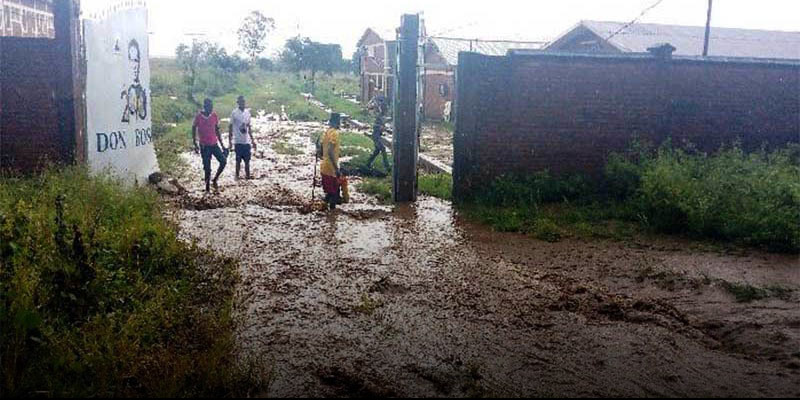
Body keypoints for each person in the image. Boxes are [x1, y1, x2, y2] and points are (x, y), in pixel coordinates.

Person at [192, 98, 227, 192]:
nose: (211, 109)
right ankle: (207, 188)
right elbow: (193, 127)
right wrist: (195, 142)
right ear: (205, 107)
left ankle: (215, 179)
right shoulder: (199, 117)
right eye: (209, 107)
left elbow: (217, 130)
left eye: (212, 107)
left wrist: (222, 145)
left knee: (223, 161)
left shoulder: (214, 116)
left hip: (214, 144)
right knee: (207, 168)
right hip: (204, 146)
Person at [229, 95, 257, 180]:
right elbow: (230, 127)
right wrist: (230, 141)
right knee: (238, 160)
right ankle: (237, 176)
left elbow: (249, 127)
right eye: (240, 102)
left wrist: (253, 140)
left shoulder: (247, 113)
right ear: (238, 103)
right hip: (238, 141)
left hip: (246, 141)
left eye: (243, 102)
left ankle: (247, 177)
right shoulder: (234, 113)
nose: (242, 103)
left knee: (247, 161)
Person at [318, 113, 343, 210]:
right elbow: (330, 151)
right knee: (334, 195)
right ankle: (332, 219)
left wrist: (321, 155)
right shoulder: (335, 133)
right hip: (330, 168)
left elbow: (320, 149)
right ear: (337, 122)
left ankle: (323, 210)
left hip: (324, 166)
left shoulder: (326, 132)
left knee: (329, 193)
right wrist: (336, 168)